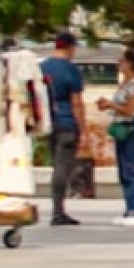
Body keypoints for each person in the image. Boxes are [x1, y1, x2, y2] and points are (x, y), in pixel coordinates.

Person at [96, 48, 134, 227]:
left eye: (122, 61)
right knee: (124, 170)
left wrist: (111, 105)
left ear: (130, 63)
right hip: (121, 128)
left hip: (131, 128)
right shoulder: (125, 84)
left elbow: (131, 111)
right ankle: (131, 208)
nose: (119, 64)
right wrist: (109, 105)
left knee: (132, 169)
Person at [40, 31, 86, 226]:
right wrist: (83, 129)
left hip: (47, 122)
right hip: (66, 122)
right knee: (62, 167)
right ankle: (58, 211)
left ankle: (57, 208)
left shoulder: (41, 67)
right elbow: (76, 103)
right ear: (70, 47)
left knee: (56, 165)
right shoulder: (71, 70)